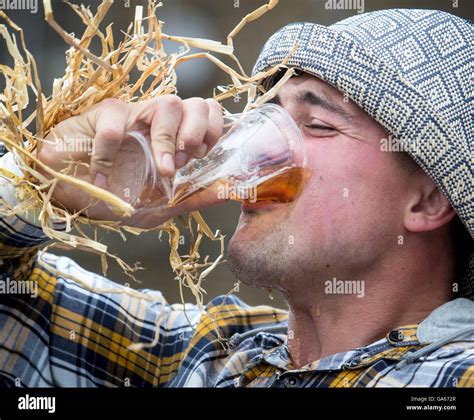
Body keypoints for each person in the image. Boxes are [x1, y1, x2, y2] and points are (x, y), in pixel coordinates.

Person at [0, 9, 472, 388]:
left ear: (428, 201)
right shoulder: (208, 352)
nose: (255, 156)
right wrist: (41, 184)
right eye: (266, 117)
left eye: (319, 125)